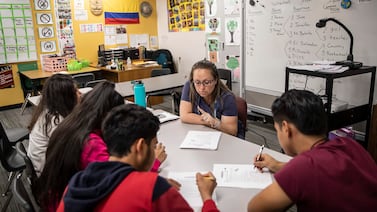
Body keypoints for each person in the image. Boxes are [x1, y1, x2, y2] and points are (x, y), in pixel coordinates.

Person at [57, 104, 219, 212]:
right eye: (154, 145)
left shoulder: (77, 183)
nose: (156, 149)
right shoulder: (151, 188)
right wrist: (207, 197)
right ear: (140, 146)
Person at [248, 89, 377, 211]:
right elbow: (321, 171)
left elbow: (255, 208)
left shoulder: (304, 167)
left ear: (286, 128)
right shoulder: (350, 145)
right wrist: (276, 165)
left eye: (277, 130)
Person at [27, 74, 79, 176]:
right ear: (66, 97)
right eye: (76, 91)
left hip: (42, 166)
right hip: (49, 175)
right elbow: (72, 150)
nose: (80, 93)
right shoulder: (56, 121)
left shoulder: (47, 111)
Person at [180, 60, 242, 138]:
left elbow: (232, 131)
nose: (201, 88)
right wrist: (207, 122)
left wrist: (216, 123)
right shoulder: (190, 86)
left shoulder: (227, 98)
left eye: (206, 82)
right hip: (202, 133)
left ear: (215, 80)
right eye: (197, 82)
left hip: (224, 137)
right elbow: (184, 116)